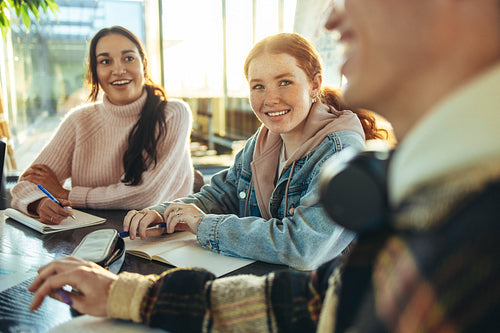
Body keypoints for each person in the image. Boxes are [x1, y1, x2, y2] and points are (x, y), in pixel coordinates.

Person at [28, 0, 500, 331]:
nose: (334, 16)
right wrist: (131, 286)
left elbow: (305, 253)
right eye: (257, 86)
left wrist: (204, 224)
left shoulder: (473, 228)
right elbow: (321, 304)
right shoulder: (439, 193)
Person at [122, 32, 387, 269]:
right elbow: (219, 196)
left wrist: (203, 225)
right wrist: (164, 212)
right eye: (258, 86)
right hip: (269, 282)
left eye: (284, 82)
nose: (270, 99)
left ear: (314, 84)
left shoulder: (339, 151)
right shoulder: (263, 140)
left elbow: (303, 247)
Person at [10, 26, 194, 225]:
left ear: (144, 64)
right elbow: (25, 185)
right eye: (105, 62)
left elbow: (147, 195)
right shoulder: (79, 120)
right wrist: (40, 203)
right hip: (90, 237)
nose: (118, 69)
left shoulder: (174, 114)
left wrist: (66, 193)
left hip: (161, 242)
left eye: (128, 58)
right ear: (95, 72)